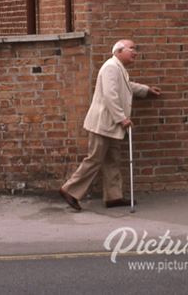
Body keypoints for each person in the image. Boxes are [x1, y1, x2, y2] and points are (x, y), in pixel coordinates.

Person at [59, 40, 161, 210]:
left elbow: (126, 87)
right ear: (119, 51)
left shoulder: (118, 67)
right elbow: (110, 95)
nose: (135, 52)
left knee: (112, 160)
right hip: (104, 123)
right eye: (132, 49)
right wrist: (122, 118)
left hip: (111, 124)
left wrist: (146, 90)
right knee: (95, 158)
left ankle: (114, 197)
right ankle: (69, 190)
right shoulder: (111, 67)